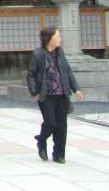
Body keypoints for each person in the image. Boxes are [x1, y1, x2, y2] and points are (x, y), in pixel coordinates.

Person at [27, 26, 83, 164]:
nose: (60, 39)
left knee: (62, 126)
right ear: (49, 38)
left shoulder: (60, 53)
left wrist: (76, 88)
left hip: (62, 94)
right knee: (51, 123)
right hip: (46, 95)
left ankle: (59, 154)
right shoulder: (38, 54)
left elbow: (68, 71)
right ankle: (41, 140)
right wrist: (34, 92)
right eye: (57, 36)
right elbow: (31, 75)